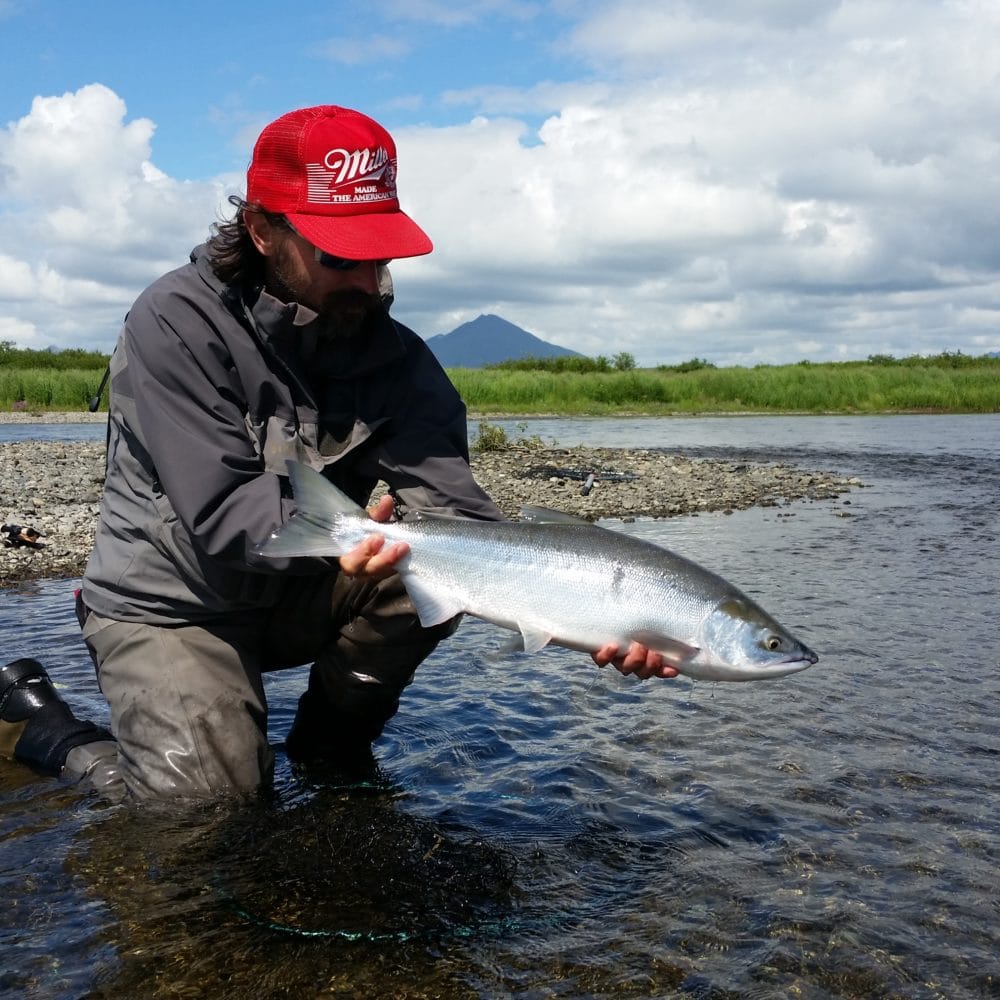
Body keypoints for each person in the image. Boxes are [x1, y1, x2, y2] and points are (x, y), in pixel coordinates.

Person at [0, 105, 677, 802]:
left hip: (299, 592)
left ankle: (330, 756)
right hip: (176, 606)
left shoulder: (400, 359)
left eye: (378, 255)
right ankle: (53, 731)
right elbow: (225, 509)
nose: (367, 280)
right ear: (263, 231)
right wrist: (345, 537)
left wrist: (603, 619)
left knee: (426, 564)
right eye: (341, 257)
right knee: (206, 811)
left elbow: (467, 526)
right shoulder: (173, 324)